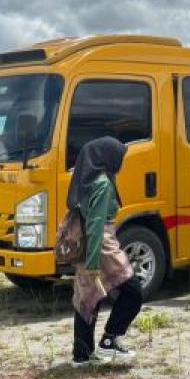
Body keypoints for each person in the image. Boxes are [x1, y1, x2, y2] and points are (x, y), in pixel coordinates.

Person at [68, 137, 144, 366]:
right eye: (119, 156)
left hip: (89, 245)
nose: (121, 161)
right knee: (133, 292)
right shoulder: (102, 184)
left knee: (89, 298)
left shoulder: (85, 180)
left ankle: (81, 355)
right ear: (107, 158)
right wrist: (93, 264)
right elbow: (96, 225)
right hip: (101, 246)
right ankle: (110, 340)